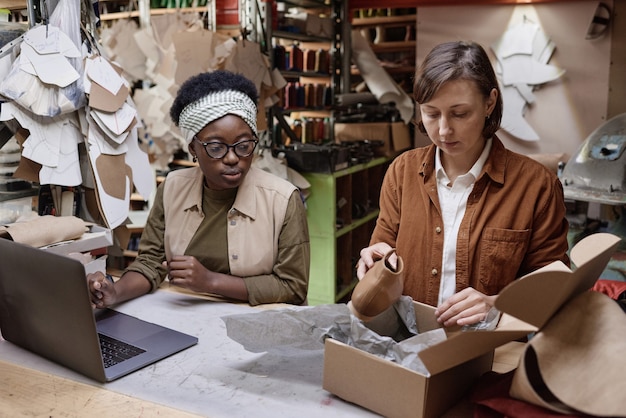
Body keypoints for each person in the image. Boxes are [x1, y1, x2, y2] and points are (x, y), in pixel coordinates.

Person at [356, 41, 569, 327]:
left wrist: (496, 304)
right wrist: (374, 262)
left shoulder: (536, 186)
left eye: (460, 114)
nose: (444, 130)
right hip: (406, 347)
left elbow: (553, 288)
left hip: (489, 355)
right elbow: (383, 252)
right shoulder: (402, 172)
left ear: (489, 103)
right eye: (431, 113)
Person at [88, 70, 310, 307]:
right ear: (193, 148)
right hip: (190, 321)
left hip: (259, 326)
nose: (233, 158)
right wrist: (115, 291)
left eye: (244, 145)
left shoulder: (283, 199)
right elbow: (151, 262)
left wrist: (211, 282)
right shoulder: (173, 188)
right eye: (216, 148)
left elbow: (293, 286)